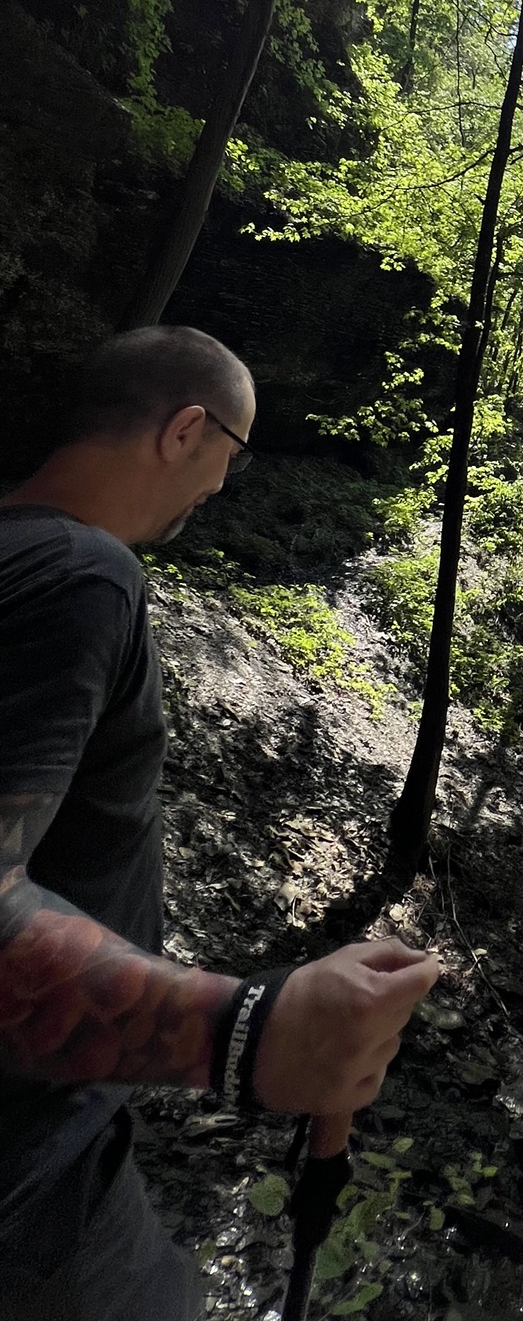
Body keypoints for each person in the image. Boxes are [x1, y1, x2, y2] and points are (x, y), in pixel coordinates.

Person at [0, 327, 440, 1320]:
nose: (222, 490)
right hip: (31, 1187)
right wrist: (244, 1035)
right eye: (229, 456)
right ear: (187, 429)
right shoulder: (80, 576)